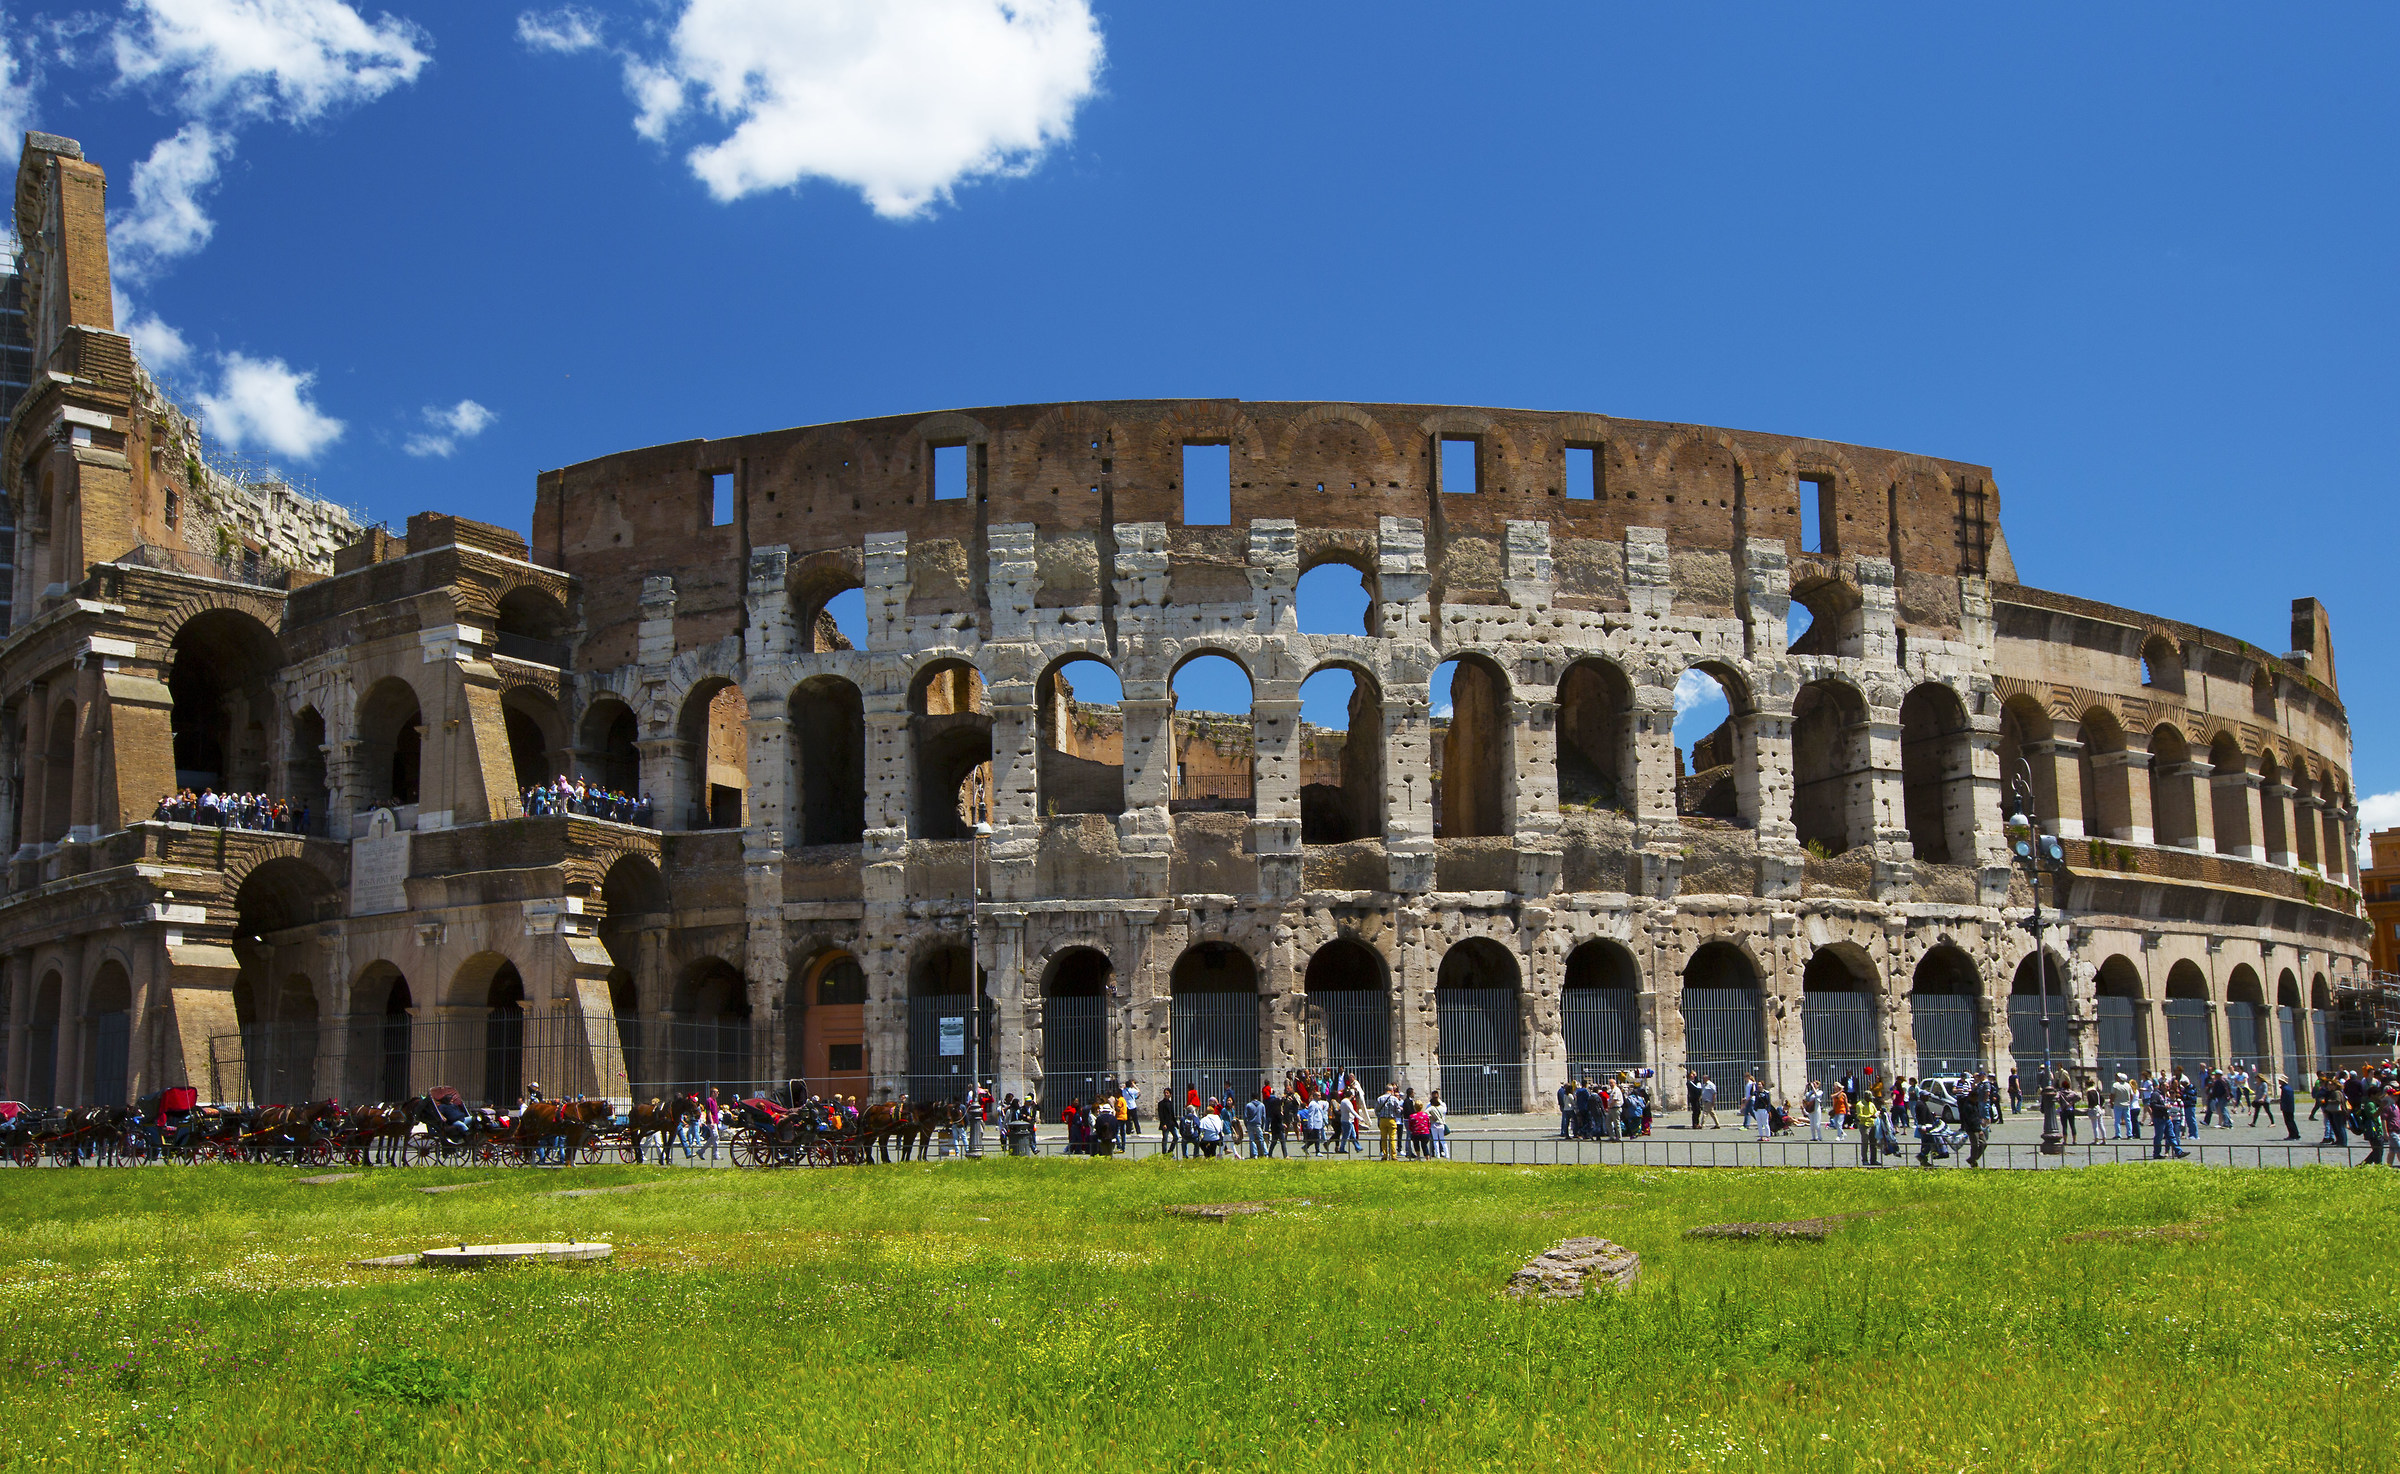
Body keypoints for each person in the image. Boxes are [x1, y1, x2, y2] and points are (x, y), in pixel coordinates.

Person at [1374, 1083, 1404, 1161]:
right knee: (1392, 1138)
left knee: (1383, 1138)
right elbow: (1397, 1110)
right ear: (1392, 1090)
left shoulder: (1380, 1098)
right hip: (1391, 1119)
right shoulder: (1394, 1099)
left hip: (1383, 1119)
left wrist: (1379, 1116)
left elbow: (1376, 1109)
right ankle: (1393, 1155)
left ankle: (1384, 1155)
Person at [1855, 1088, 1881, 1166]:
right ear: (1866, 1097)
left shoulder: (1872, 1104)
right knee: (1865, 1143)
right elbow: (1859, 1116)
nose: (1871, 1099)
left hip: (1873, 1125)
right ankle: (1864, 1160)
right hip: (1864, 1125)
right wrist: (1869, 1116)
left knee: (1873, 1143)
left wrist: (1879, 1113)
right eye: (1870, 1098)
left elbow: (1876, 1112)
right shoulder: (1860, 1104)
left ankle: (1873, 1159)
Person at [1428, 1089, 1450, 1159]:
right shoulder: (1442, 1106)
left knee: (1436, 1140)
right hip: (1440, 1124)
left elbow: (1426, 1113)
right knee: (1441, 1140)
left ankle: (1439, 1154)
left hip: (1435, 1124)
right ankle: (1446, 1154)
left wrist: (1432, 1116)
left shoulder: (1433, 1106)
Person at [2279, 1073, 2300, 1141]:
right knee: (2290, 1121)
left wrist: (2284, 1107)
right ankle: (2294, 1134)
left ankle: (2293, 1135)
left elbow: (2287, 1099)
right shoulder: (2286, 1088)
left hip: (2287, 1108)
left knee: (2289, 1121)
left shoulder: (2286, 1089)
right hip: (2288, 1107)